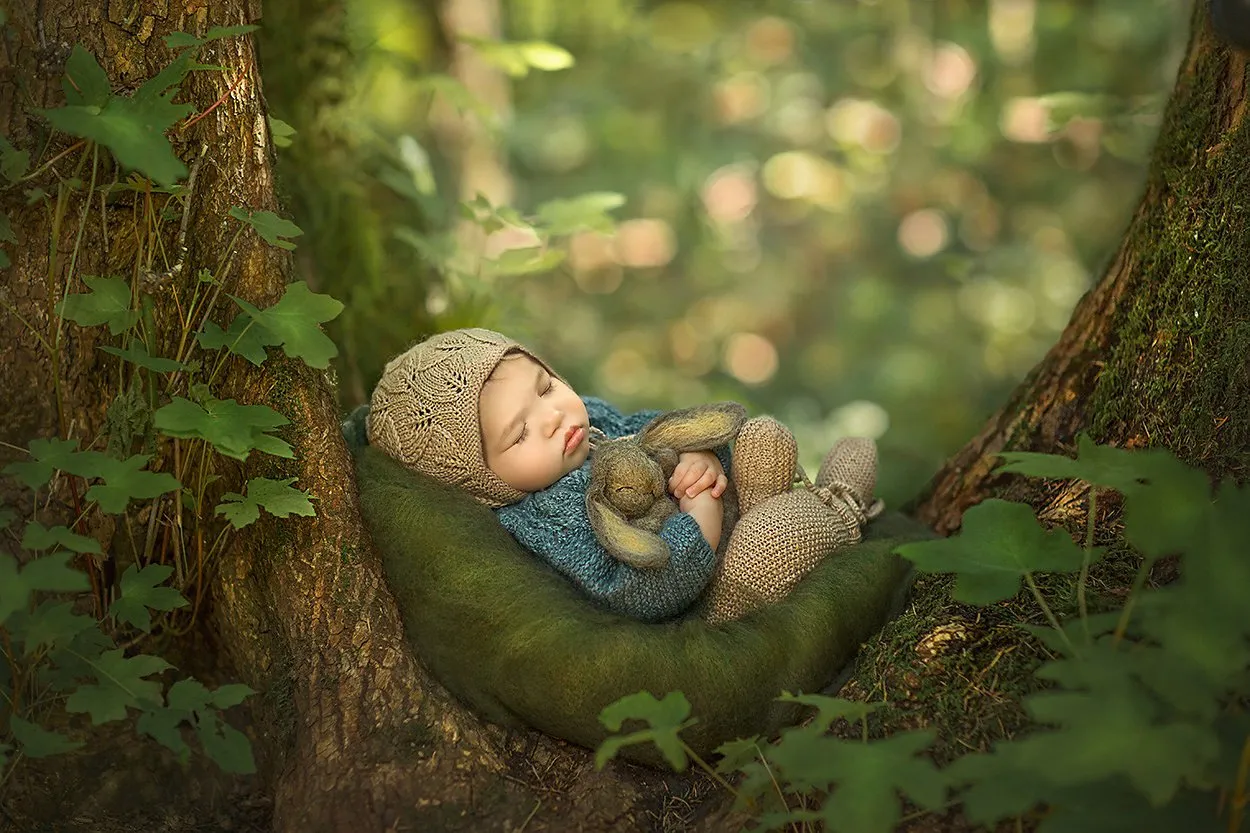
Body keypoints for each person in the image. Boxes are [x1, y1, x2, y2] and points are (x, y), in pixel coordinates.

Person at [364, 327, 878, 623]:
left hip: (723, 508)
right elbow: (637, 590)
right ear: (482, 479)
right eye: (518, 435)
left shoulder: (590, 419)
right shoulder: (545, 516)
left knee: (758, 436)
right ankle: (838, 507)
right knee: (774, 538)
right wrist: (701, 517)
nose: (554, 418)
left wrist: (698, 459)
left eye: (545, 389)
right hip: (714, 592)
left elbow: (653, 432)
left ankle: (790, 497)